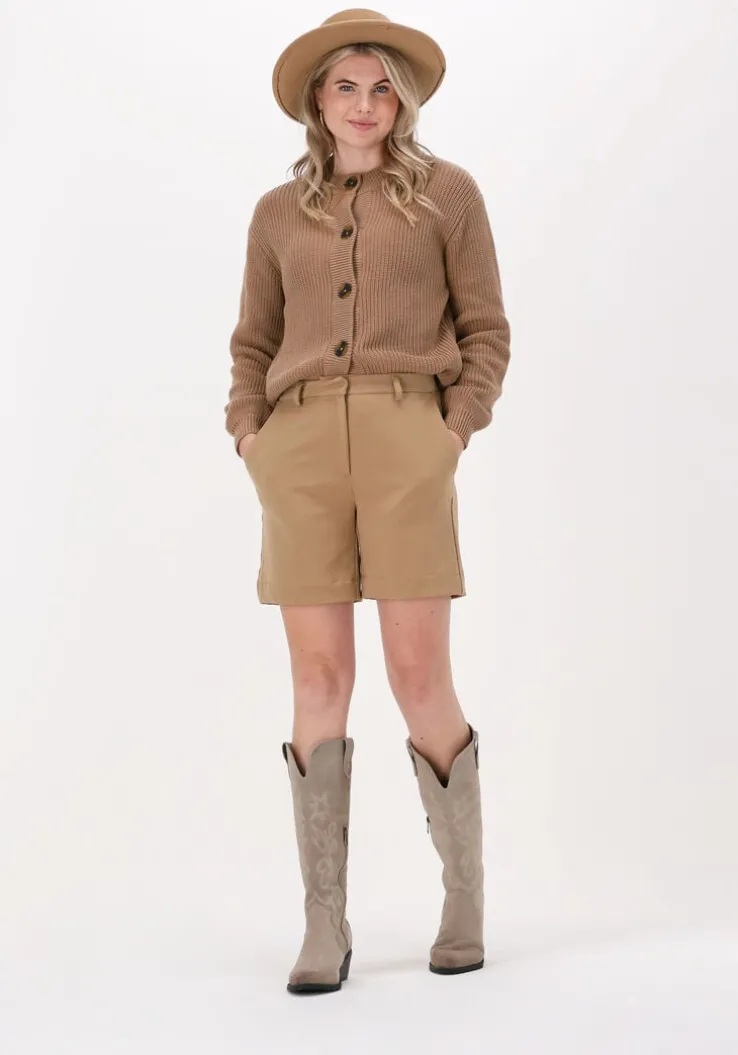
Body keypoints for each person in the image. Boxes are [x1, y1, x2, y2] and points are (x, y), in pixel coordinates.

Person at [223, 8, 511, 995]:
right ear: (318, 99)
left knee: (418, 671)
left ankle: (464, 899)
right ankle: (324, 922)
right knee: (318, 675)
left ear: (403, 99)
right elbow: (254, 342)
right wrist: (253, 436)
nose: (364, 104)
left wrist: (450, 430)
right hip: (298, 446)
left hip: (406, 437)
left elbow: (486, 329)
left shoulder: (448, 196)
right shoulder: (276, 213)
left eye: (382, 87)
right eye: (346, 86)